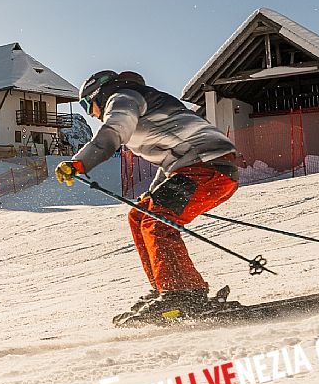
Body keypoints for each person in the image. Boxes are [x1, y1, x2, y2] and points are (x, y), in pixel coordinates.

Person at [55, 70, 240, 323]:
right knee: (139, 215)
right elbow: (172, 159)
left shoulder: (122, 98)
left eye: (88, 105)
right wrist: (153, 193)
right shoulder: (140, 99)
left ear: (98, 95)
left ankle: (183, 293)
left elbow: (111, 133)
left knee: (156, 221)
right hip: (201, 166)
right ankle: (167, 288)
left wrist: (79, 164)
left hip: (209, 166)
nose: (91, 113)